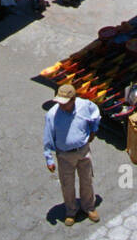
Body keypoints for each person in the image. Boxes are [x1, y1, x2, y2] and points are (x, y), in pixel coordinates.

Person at [43, 83, 101, 227]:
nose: (61, 106)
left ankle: (88, 207)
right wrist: (49, 158)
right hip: (64, 156)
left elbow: (96, 114)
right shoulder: (52, 114)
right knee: (67, 184)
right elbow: (48, 137)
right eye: (59, 103)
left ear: (73, 99)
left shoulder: (85, 106)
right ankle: (71, 211)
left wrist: (93, 131)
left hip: (83, 151)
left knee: (86, 180)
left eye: (65, 103)